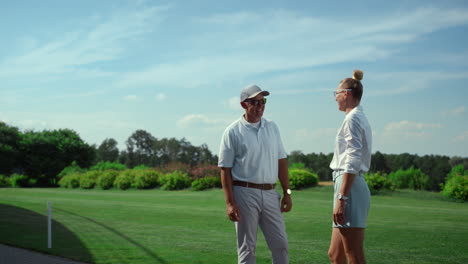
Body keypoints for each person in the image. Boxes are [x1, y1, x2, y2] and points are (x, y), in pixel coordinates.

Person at [218, 84, 292, 264]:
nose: (260, 106)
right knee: (247, 248)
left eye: (263, 101)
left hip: (270, 194)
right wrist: (229, 203)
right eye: (255, 102)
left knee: (281, 244)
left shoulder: (272, 127)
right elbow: (225, 169)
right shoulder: (232, 132)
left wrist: (288, 193)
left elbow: (281, 162)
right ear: (244, 104)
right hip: (244, 193)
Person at [328, 70, 372, 264]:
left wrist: (342, 198)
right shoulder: (356, 117)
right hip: (347, 186)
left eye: (336, 94)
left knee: (352, 253)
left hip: (349, 188)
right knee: (335, 254)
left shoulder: (353, 118)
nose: (335, 98)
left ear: (346, 94)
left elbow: (352, 159)